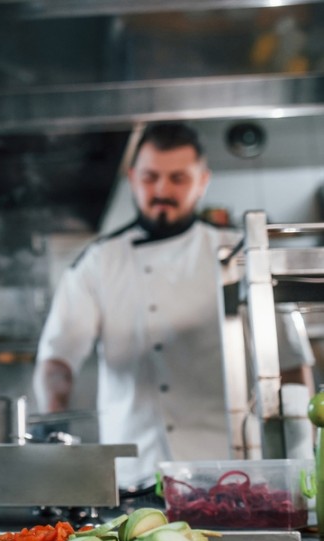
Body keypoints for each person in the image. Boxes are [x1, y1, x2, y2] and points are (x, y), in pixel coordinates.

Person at [34, 122, 312, 491]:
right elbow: (57, 362)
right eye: (151, 177)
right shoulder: (99, 262)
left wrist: (298, 462)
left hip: (231, 474)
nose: (162, 190)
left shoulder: (241, 253)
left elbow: (292, 365)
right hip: (133, 477)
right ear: (132, 178)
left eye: (178, 178)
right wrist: (55, 445)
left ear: (202, 182)